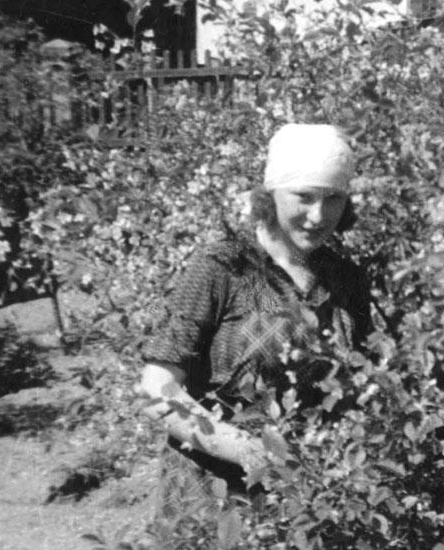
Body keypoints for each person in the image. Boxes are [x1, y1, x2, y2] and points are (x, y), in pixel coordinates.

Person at [137, 123, 372, 520]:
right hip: (215, 500)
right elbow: (157, 388)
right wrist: (252, 451)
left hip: (312, 504)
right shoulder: (222, 269)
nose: (318, 216)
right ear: (269, 195)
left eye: (333, 199)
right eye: (304, 197)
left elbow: (362, 385)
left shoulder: (346, 279)